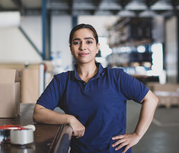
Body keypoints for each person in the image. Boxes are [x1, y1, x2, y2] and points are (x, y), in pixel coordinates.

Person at [33, 24, 158, 153]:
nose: (83, 47)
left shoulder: (116, 77)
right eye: (77, 42)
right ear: (71, 49)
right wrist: (69, 119)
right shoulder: (62, 81)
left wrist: (137, 135)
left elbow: (151, 100)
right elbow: (38, 112)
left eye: (89, 42)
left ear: (97, 47)